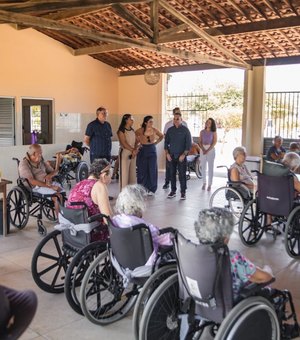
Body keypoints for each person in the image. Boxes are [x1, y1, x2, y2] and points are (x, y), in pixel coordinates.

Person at [194, 208, 274, 302]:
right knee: (267, 279)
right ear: (225, 238)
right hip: (229, 305)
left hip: (200, 302)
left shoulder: (192, 253)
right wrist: (268, 271)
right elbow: (264, 278)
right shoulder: (233, 259)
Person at [112, 184, 172, 265]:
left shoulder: (117, 219)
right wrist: (173, 236)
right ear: (138, 205)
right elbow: (162, 237)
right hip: (146, 262)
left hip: (124, 258)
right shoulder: (141, 226)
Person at [66, 158, 112, 240]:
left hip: (74, 234)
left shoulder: (79, 184)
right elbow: (107, 219)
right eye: (110, 176)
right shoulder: (99, 186)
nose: (110, 180)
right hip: (92, 234)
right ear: (104, 175)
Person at [18, 144, 63, 215]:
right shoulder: (24, 163)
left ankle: (64, 216)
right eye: (40, 153)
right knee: (57, 196)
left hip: (47, 183)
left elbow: (55, 171)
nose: (41, 154)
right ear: (33, 154)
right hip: (35, 187)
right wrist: (51, 187)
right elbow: (31, 181)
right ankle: (61, 221)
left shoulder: (41, 161)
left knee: (62, 193)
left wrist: (49, 176)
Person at [164, 112, 192, 200]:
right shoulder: (170, 130)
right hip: (171, 156)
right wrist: (167, 154)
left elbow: (188, 144)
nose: (176, 120)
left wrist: (184, 155)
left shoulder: (185, 130)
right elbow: (166, 143)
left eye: (177, 119)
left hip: (181, 157)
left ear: (181, 120)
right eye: (174, 119)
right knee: (172, 174)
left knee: (182, 175)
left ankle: (183, 192)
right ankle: (173, 191)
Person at [135, 116, 163, 195]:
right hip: (142, 150)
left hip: (152, 150)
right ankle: (142, 188)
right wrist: (138, 144)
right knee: (142, 170)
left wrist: (156, 143)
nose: (152, 123)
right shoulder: (140, 130)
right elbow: (134, 136)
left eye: (152, 121)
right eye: (150, 121)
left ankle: (152, 189)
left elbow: (161, 136)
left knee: (152, 169)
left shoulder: (154, 130)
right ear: (145, 123)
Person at [162, 107, 188, 190]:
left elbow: (187, 140)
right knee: (170, 169)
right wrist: (167, 152)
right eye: (176, 113)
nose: (178, 115)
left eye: (179, 113)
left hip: (181, 151)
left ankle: (183, 190)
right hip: (171, 151)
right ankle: (167, 183)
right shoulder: (168, 125)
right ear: (173, 114)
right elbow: (165, 138)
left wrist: (184, 153)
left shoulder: (184, 125)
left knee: (182, 172)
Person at [117, 114, 139, 190]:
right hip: (125, 153)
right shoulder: (121, 130)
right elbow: (124, 143)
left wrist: (135, 150)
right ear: (126, 120)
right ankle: (123, 194)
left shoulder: (132, 130)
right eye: (131, 119)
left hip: (133, 153)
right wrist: (133, 150)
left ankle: (131, 193)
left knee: (132, 174)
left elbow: (136, 141)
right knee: (124, 174)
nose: (133, 120)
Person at [199, 117, 217, 191]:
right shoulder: (202, 131)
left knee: (210, 167)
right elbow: (199, 141)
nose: (208, 123)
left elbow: (214, 142)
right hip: (203, 148)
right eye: (207, 122)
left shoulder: (214, 132)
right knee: (203, 167)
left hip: (210, 149)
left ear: (212, 124)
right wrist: (203, 149)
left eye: (209, 122)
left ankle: (210, 184)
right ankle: (204, 183)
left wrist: (208, 150)